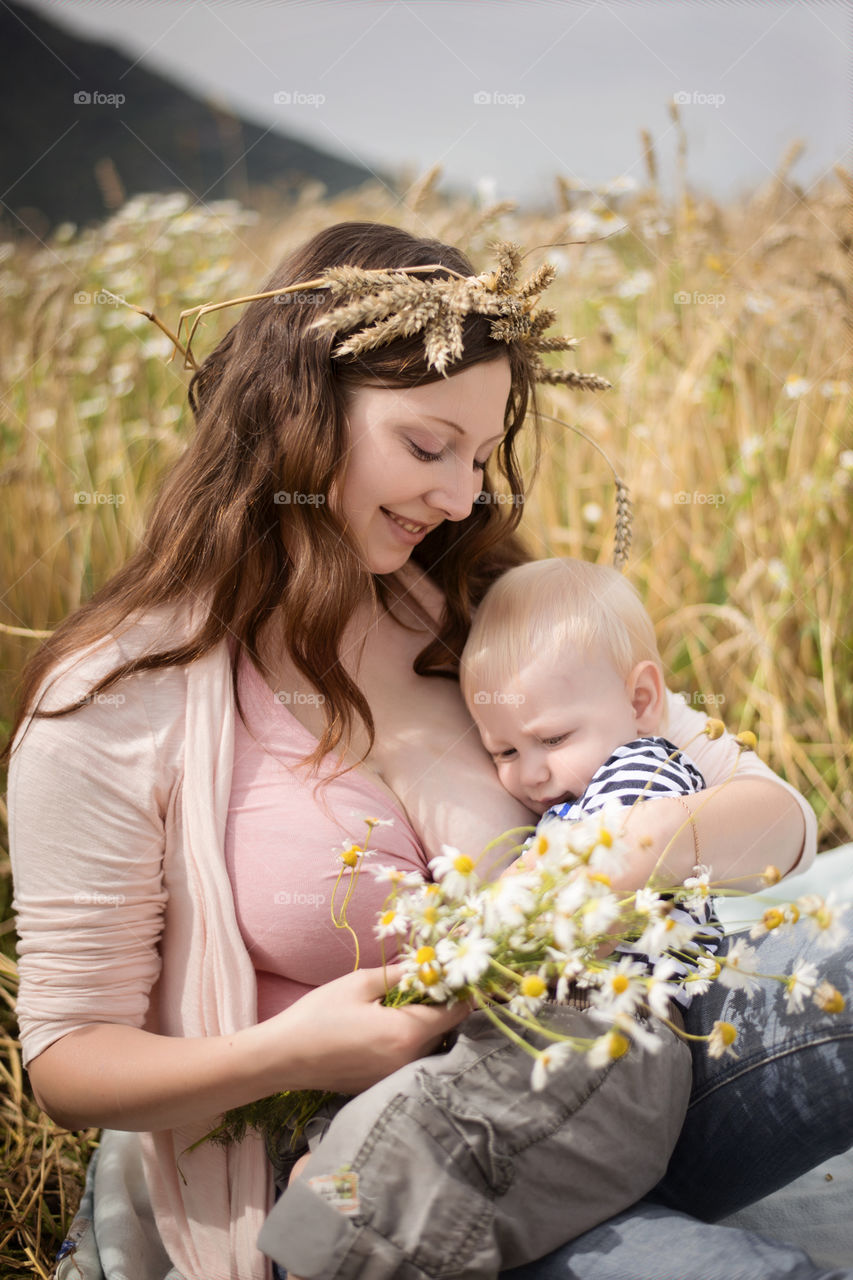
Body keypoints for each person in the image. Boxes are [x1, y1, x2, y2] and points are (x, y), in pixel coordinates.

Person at [4, 221, 850, 1280]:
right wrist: (296, 1049)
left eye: (481, 455)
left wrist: (634, 846)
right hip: (384, 1173)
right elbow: (71, 1061)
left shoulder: (474, 603)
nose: (460, 496)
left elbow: (776, 815)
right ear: (294, 412)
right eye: (425, 445)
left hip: (616, 1069)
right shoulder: (117, 697)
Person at [262, 557, 709, 1279]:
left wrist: (510, 901)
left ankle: (333, 1235)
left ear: (641, 699)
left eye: (552, 740)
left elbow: (593, 875)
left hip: (611, 1036)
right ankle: (335, 1202)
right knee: (417, 1116)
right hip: (539, 1031)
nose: (528, 773)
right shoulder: (572, 792)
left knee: (441, 1135)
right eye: (503, 750)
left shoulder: (644, 773)